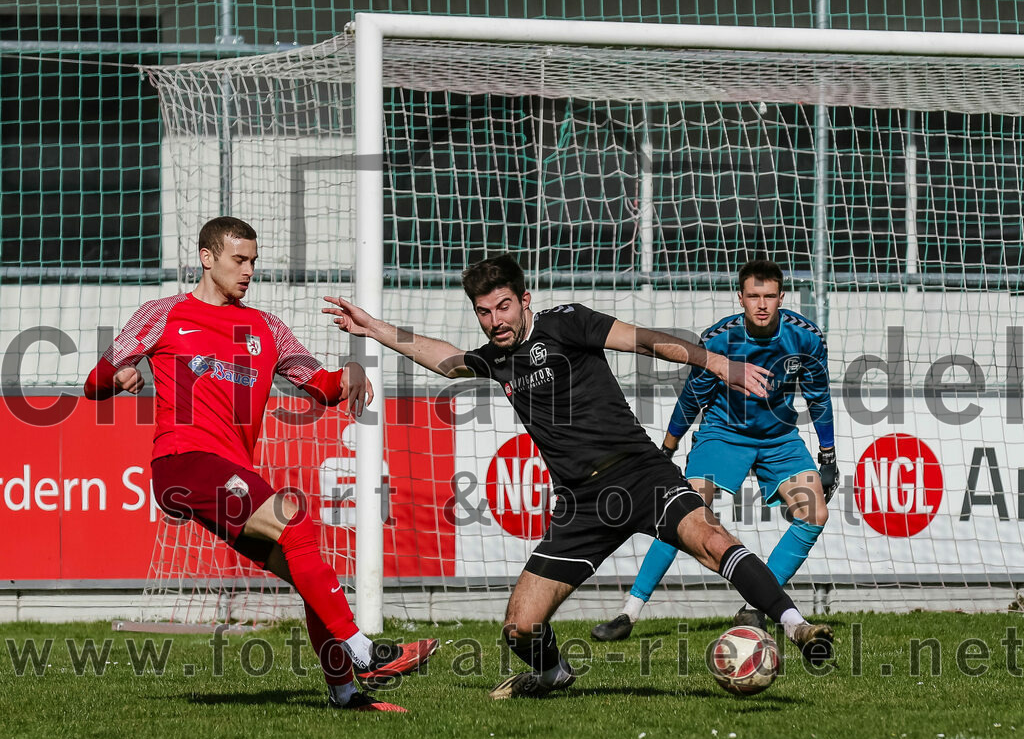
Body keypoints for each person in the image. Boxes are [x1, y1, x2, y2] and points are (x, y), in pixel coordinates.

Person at [323, 254, 834, 700]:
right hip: (582, 505)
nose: (495, 321)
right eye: (483, 311)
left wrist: (718, 363)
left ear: (525, 299)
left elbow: (646, 342)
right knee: (520, 628)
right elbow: (445, 360)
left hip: (639, 473)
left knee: (712, 538)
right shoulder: (498, 359)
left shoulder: (567, 322)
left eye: (503, 306)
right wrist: (373, 328)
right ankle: (552, 675)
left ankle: (797, 627)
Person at [84, 216, 437, 713]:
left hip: (227, 470)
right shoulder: (162, 314)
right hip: (183, 462)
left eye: (254, 261)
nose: (249, 270)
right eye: (239, 260)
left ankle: (344, 693)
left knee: (302, 568)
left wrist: (353, 369)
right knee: (296, 523)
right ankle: (365, 653)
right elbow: (92, 383)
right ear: (208, 258)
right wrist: (117, 376)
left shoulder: (266, 328)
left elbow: (321, 385)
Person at [592, 259, 838, 642]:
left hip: (779, 438)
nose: (761, 304)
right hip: (722, 434)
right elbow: (692, 400)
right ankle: (630, 612)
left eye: (769, 296)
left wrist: (828, 456)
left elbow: (819, 397)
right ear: (739, 297)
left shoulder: (806, 337)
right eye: (753, 296)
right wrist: (666, 449)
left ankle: (757, 606)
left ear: (781, 297)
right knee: (685, 511)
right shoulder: (719, 339)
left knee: (815, 512)